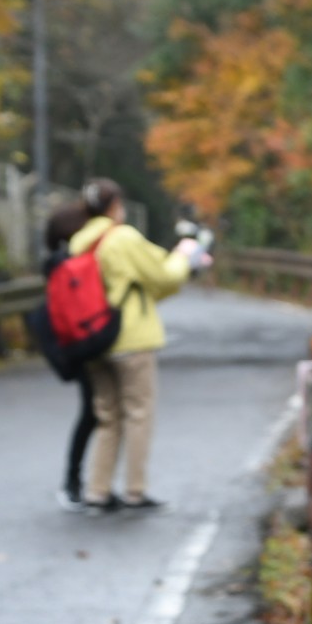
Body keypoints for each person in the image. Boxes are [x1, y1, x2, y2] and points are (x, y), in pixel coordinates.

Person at [69, 178, 205, 514]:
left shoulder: (80, 242)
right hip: (130, 339)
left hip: (92, 339)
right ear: (115, 206)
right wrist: (184, 256)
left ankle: (97, 492)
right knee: (138, 414)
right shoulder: (122, 237)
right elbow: (163, 276)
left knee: (107, 416)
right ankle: (135, 490)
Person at [41, 202, 99, 512]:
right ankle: (74, 482)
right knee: (93, 412)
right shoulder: (66, 264)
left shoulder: (57, 262)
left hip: (80, 344)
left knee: (95, 412)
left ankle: (83, 483)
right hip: (84, 343)